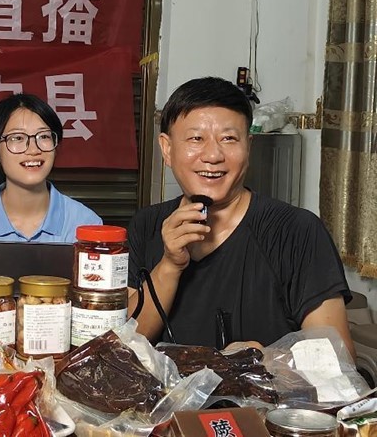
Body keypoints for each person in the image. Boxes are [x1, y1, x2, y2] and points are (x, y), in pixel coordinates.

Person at [127, 77, 355, 358]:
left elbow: (339, 358)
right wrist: (170, 264)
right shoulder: (147, 225)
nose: (213, 155)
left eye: (229, 139)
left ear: (248, 146)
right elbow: (126, 343)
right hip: (166, 389)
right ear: (167, 149)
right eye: (196, 138)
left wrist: (265, 360)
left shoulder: (297, 231)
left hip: (265, 388)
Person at [0, 93, 102, 293]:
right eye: (17, 138)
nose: (33, 149)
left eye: (44, 136)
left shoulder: (87, 224)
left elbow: (97, 303)